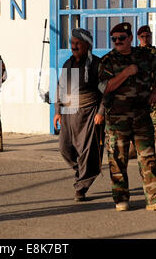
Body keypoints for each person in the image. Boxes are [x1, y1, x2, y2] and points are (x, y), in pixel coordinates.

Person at [98, 22, 156, 212]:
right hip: (117, 119)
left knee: (148, 158)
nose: (118, 42)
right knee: (117, 160)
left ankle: (154, 199)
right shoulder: (107, 60)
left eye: (121, 38)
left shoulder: (144, 56)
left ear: (130, 38)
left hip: (141, 115)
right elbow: (105, 87)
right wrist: (126, 73)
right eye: (114, 39)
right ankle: (121, 199)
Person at [53, 28, 104, 202]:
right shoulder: (68, 63)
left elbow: (107, 91)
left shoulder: (97, 64)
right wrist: (57, 112)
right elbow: (60, 88)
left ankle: (81, 187)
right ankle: (82, 171)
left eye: (77, 44)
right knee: (65, 149)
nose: (73, 47)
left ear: (87, 46)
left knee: (88, 152)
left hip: (89, 112)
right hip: (68, 111)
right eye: (72, 43)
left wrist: (101, 112)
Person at [128, 25, 156, 162]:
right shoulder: (134, 53)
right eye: (143, 36)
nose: (145, 39)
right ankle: (133, 148)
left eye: (148, 36)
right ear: (138, 38)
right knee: (135, 122)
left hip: (153, 92)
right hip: (138, 94)